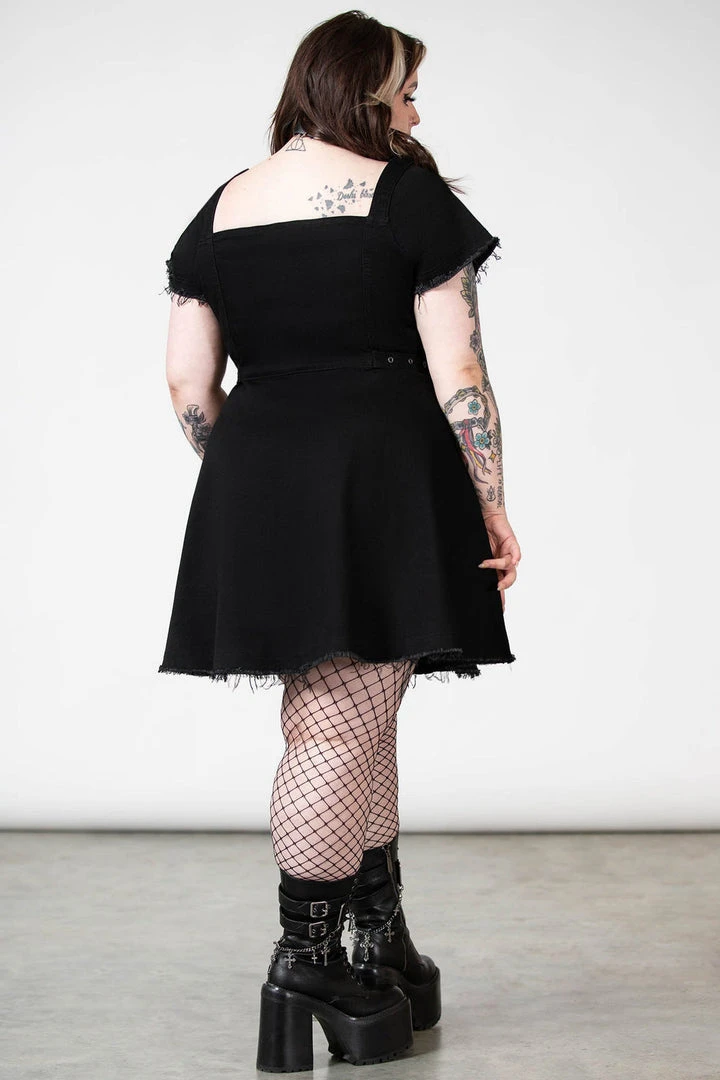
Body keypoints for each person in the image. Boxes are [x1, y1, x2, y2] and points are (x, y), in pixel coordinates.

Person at [157, 10, 521, 1071]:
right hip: (383, 475)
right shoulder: (403, 196)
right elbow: (460, 372)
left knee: (364, 714)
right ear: (363, 92)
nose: (415, 112)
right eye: (406, 91)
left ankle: (380, 938)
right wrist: (491, 500)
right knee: (334, 726)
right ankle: (306, 961)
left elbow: (188, 382)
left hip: (261, 476)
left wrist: (259, 482)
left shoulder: (225, 204)